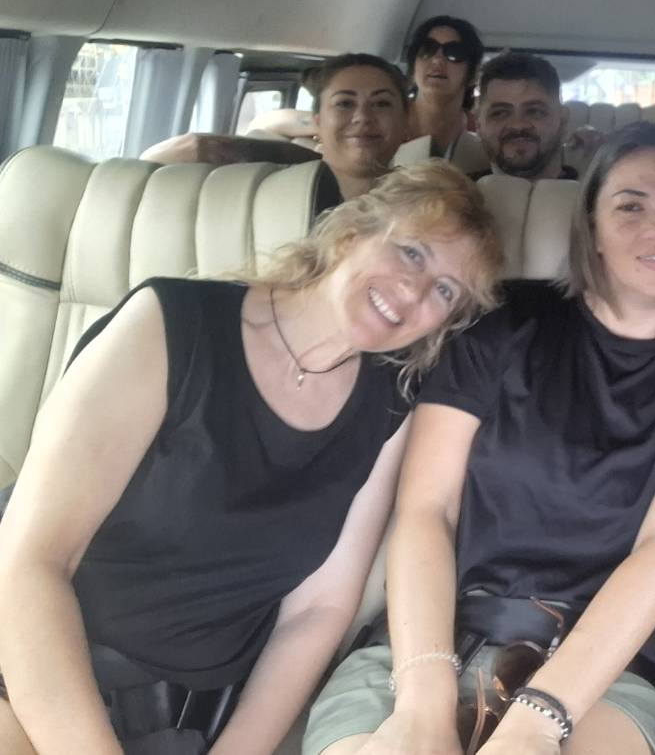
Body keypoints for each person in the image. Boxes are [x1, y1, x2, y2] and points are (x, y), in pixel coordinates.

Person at [0, 162, 503, 755]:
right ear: (352, 232)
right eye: (412, 253)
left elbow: (317, 611)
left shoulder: (390, 406)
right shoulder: (169, 324)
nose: (415, 291)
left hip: (184, 709)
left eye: (446, 290)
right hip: (33, 664)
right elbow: (30, 562)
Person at [305, 121, 655, 755]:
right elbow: (427, 511)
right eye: (630, 206)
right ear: (592, 229)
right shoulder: (503, 324)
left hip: (608, 669)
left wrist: (535, 724)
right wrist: (423, 708)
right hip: (426, 642)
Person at [142, 53, 411, 203]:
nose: (362, 117)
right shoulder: (267, 193)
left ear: (404, 121)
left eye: (382, 104)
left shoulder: (421, 204)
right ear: (318, 120)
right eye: (344, 104)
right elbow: (167, 155)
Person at [475, 51, 582, 180]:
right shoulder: (455, 190)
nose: (518, 125)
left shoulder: (594, 192)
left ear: (563, 119)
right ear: (478, 125)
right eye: (499, 113)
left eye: (535, 111)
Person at [402, 15, 486, 165]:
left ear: (473, 75)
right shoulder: (389, 123)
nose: (437, 60)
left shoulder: (481, 135)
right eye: (427, 50)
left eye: (454, 53)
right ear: (412, 69)